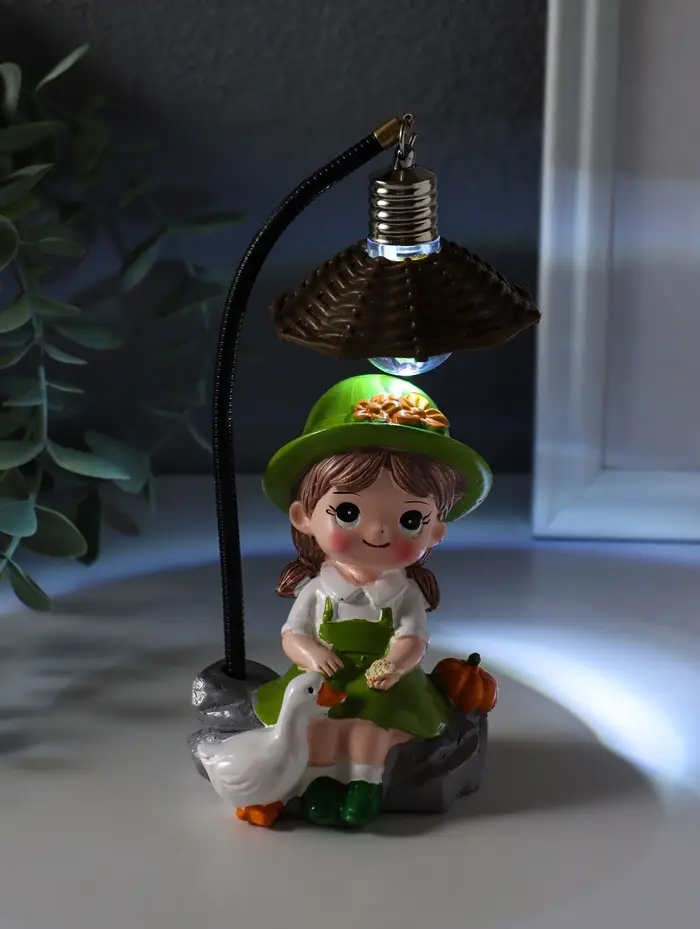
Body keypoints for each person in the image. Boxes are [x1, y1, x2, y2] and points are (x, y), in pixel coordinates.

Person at [255, 373, 492, 828]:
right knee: (313, 722)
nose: (379, 530)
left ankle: (364, 785)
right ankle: (320, 785)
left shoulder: (401, 593)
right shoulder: (320, 589)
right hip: (326, 674)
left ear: (435, 532)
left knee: (372, 726)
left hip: (385, 680)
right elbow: (293, 633)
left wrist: (396, 664)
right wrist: (312, 654)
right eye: (348, 512)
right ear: (304, 516)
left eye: (410, 519)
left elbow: (413, 637)